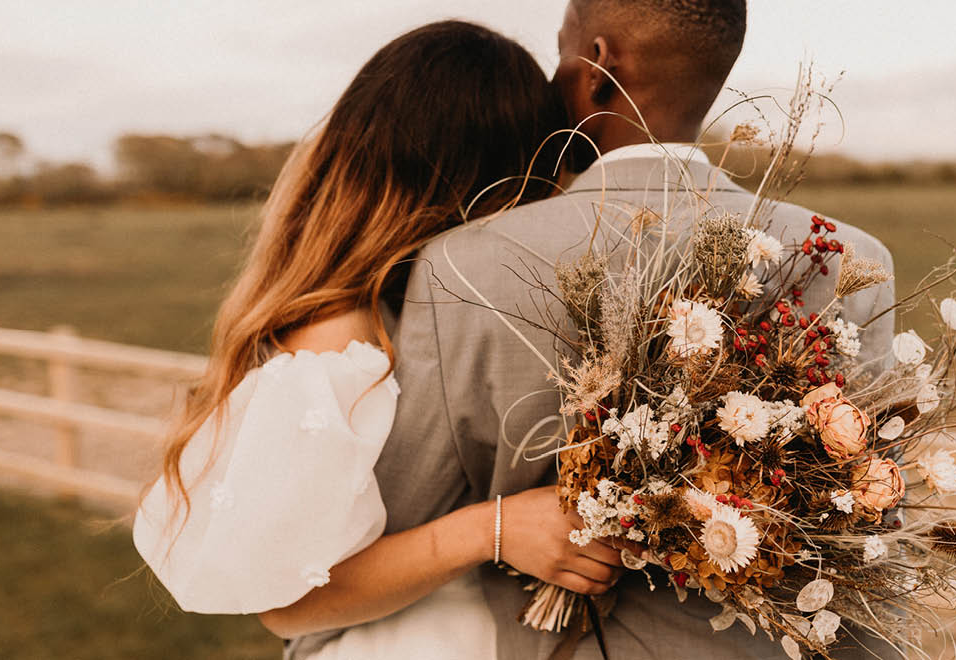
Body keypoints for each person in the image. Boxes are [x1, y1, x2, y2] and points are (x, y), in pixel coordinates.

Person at [309, 1, 900, 659]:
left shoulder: (465, 264)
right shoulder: (852, 257)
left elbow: (395, 529)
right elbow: (870, 503)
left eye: (562, 59)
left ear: (596, 67)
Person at [133, 21, 629, 660]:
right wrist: (493, 529)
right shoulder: (340, 344)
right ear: (494, 176)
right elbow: (287, 606)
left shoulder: (429, 309)